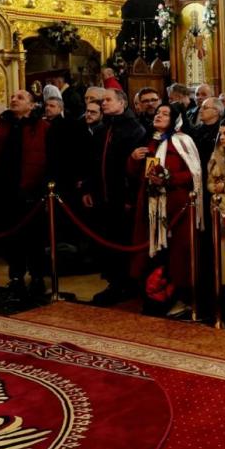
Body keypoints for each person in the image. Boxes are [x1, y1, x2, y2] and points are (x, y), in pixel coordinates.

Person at [129, 105, 203, 317]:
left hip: (177, 209)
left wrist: (169, 178)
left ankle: (181, 298)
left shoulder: (183, 141)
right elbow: (135, 174)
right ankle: (157, 297)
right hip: (153, 208)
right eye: (157, 113)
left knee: (178, 257)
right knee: (156, 255)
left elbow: (195, 174)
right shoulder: (150, 141)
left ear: (175, 119)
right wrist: (134, 159)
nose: (158, 116)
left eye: (164, 113)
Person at [0, 90, 51, 295]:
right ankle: (16, 276)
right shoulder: (2, 125)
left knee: (34, 238)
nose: (13, 99)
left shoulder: (43, 126)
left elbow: (49, 158)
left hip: (31, 189)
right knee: (12, 237)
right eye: (13, 97)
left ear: (32, 105)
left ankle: (37, 277)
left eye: (20, 97)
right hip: (5, 188)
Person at [84, 88, 147, 305]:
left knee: (122, 241)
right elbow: (93, 162)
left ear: (122, 103)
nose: (103, 104)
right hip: (103, 196)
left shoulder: (134, 130)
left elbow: (135, 170)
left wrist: (130, 199)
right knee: (107, 241)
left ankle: (124, 284)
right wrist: (90, 190)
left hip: (123, 199)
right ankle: (114, 281)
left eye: (108, 100)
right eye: (102, 101)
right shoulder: (103, 128)